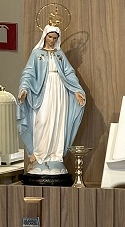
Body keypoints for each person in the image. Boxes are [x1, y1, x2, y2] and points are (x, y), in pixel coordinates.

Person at [17, 25, 86, 175]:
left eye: (55, 38)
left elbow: (69, 73)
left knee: (57, 121)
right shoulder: (37, 54)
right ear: (45, 36)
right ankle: (39, 154)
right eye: (50, 37)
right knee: (42, 120)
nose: (52, 40)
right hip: (43, 90)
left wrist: (77, 91)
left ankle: (55, 155)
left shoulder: (59, 54)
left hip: (59, 90)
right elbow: (28, 73)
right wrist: (24, 89)